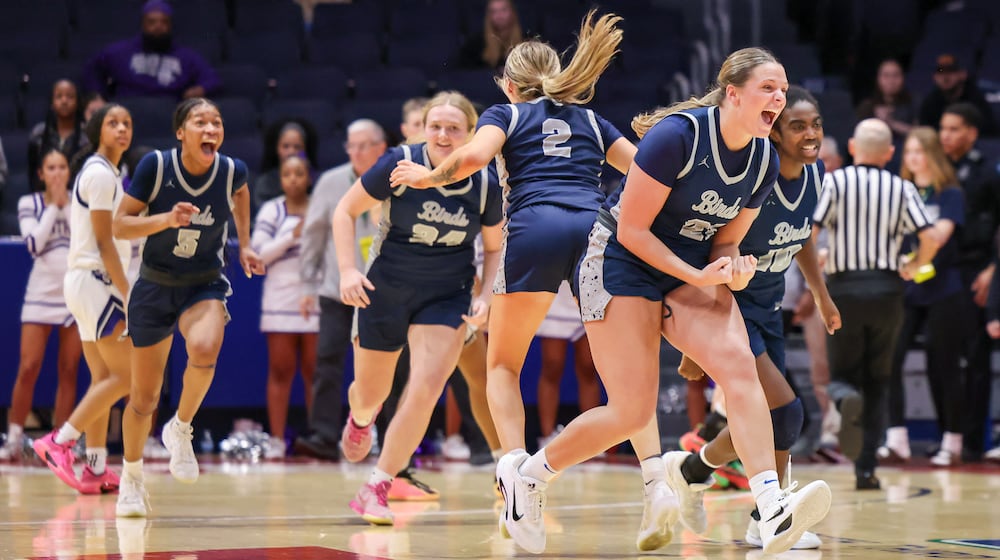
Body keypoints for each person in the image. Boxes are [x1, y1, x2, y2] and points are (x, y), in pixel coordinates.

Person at [494, 46, 833, 555]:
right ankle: (531, 476)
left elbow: (725, 242)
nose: (779, 98)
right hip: (618, 259)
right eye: (769, 88)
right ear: (733, 94)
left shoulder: (763, 157)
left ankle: (769, 507)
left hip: (685, 264)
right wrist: (698, 274)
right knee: (630, 412)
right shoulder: (680, 135)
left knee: (740, 368)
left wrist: (733, 270)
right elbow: (631, 229)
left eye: (783, 89)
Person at [389, 13, 680, 554]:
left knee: (503, 365)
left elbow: (471, 159)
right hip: (597, 231)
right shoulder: (594, 122)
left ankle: (516, 474)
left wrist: (427, 176)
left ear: (509, 84)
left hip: (534, 230)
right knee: (626, 383)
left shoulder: (508, 112)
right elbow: (647, 174)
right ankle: (657, 481)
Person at [666, 85, 839, 551]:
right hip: (730, 306)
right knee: (786, 411)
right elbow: (710, 247)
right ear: (775, 134)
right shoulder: (754, 177)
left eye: (815, 124)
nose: (810, 134)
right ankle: (768, 515)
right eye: (797, 126)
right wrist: (693, 343)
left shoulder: (815, 173)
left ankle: (694, 469)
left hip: (769, 305)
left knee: (767, 417)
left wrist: (821, 296)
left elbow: (799, 234)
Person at [333, 91, 504, 525]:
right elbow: (345, 211)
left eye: (454, 128)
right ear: (422, 129)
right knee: (373, 394)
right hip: (386, 287)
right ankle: (360, 417)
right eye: (436, 127)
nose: (444, 135)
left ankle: (378, 485)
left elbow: (494, 246)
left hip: (447, 294)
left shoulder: (484, 181)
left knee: (427, 387)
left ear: (470, 133)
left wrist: (485, 296)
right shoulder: (397, 162)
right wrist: (348, 271)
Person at [111, 97, 263, 517]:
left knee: (205, 348)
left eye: (217, 122)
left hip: (203, 283)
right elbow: (119, 226)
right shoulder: (156, 168)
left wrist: (245, 243)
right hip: (155, 285)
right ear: (181, 132)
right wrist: (164, 219)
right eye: (200, 122)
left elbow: (242, 192)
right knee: (143, 398)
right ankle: (132, 477)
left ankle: (181, 428)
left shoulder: (232, 170)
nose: (211, 129)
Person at [813, 118, 939, 490]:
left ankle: (845, 397)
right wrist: (915, 265)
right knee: (879, 380)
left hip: (845, 287)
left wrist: (820, 258)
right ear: (889, 153)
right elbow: (929, 236)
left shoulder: (834, 181)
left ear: (852, 147)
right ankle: (866, 470)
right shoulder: (901, 187)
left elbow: (812, 229)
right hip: (887, 290)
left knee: (841, 375)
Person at [32, 106, 135, 495]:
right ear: (97, 131)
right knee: (124, 376)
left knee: (103, 379)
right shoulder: (99, 174)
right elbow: (105, 240)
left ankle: (94, 466)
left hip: (85, 282)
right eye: (113, 123)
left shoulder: (105, 173)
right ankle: (59, 441)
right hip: (97, 281)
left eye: (127, 124)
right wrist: (128, 291)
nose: (122, 128)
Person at [295, 119, 387, 462]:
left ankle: (392, 439)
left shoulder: (396, 175)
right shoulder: (332, 182)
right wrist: (307, 283)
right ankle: (323, 434)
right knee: (327, 362)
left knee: (389, 367)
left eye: (363, 145)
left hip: (383, 292)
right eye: (351, 145)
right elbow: (314, 234)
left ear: (381, 147)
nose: (356, 152)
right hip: (337, 289)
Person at [880, 127, 966, 467]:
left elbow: (941, 235)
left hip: (944, 288)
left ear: (933, 155)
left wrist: (917, 262)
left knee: (943, 365)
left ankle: (952, 441)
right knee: (890, 358)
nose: (913, 158)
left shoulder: (949, 193)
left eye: (920, 151)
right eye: (909, 152)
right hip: (908, 289)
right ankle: (896, 438)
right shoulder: (902, 192)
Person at [0, 150, 82, 461]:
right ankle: (14, 439)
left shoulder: (79, 203)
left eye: (63, 166)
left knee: (69, 369)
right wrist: (54, 208)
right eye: (52, 167)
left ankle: (60, 445)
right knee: (28, 367)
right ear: (41, 174)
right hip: (40, 294)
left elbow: (84, 242)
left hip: (74, 295)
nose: (58, 172)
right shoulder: (29, 203)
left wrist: (67, 205)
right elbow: (33, 244)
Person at [252, 154, 318, 459]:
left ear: (308, 177)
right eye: (287, 174)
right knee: (280, 371)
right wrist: (290, 236)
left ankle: (319, 436)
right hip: (279, 299)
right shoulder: (272, 210)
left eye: (299, 173)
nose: (293, 179)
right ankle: (277, 439)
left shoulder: (320, 207)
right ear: (280, 179)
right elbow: (259, 255)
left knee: (314, 373)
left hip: (314, 298)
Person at [82, 0, 221, 101]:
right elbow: (92, 70)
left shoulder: (187, 57)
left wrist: (199, 89)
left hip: (169, 111)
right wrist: (97, 97)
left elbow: (212, 79)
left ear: (170, 26)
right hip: (127, 108)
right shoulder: (119, 51)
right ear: (143, 25)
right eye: (152, 22)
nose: (158, 26)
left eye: (164, 22)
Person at [535, 282, 601, 450]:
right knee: (552, 366)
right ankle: (547, 437)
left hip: (589, 288)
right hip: (557, 288)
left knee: (588, 368)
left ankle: (592, 440)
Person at [28, 79, 88, 191]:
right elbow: (32, 175)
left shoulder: (87, 136)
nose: (64, 101)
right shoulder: (38, 134)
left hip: (79, 197)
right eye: (59, 97)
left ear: (77, 102)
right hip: (45, 196)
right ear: (52, 102)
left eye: (70, 96)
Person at [253, 119, 319, 216]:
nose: (291, 152)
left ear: (305, 150)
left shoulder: (317, 182)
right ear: (277, 149)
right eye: (285, 146)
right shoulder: (265, 183)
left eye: (297, 147)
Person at [919, 53, 996, 136]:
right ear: (934, 77)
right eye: (940, 71)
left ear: (963, 74)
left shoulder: (975, 98)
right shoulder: (930, 102)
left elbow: (989, 129)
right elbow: (925, 132)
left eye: (951, 71)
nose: (945, 76)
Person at [856, 59, 915, 142]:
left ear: (903, 78)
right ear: (878, 78)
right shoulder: (867, 106)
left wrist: (891, 123)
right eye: (886, 75)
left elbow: (920, 134)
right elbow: (859, 137)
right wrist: (877, 122)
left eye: (896, 75)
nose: (891, 81)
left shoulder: (913, 102)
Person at [459, 0, 524, 70]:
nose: (499, 16)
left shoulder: (526, 42)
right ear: (488, 16)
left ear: (513, 12)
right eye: (494, 11)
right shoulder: (476, 45)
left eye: (503, 10)